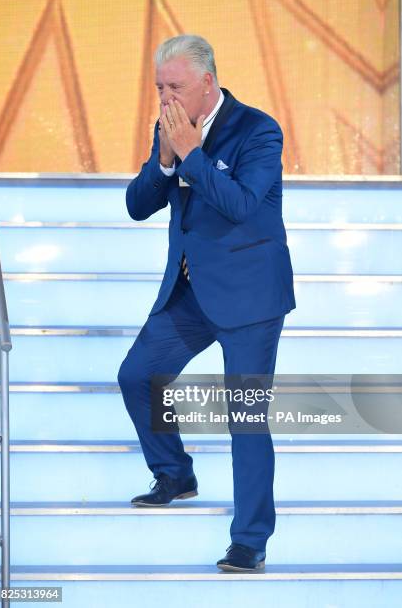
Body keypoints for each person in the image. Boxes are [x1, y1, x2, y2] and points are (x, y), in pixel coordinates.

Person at [118, 34, 296, 572]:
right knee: (137, 375)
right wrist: (167, 162)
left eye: (174, 87)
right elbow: (137, 206)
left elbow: (241, 203)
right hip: (192, 292)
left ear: (206, 84)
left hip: (251, 298)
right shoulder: (169, 129)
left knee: (245, 419)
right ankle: (175, 474)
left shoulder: (259, 130)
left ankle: (250, 541)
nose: (165, 98)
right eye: (158, 88)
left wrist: (194, 156)